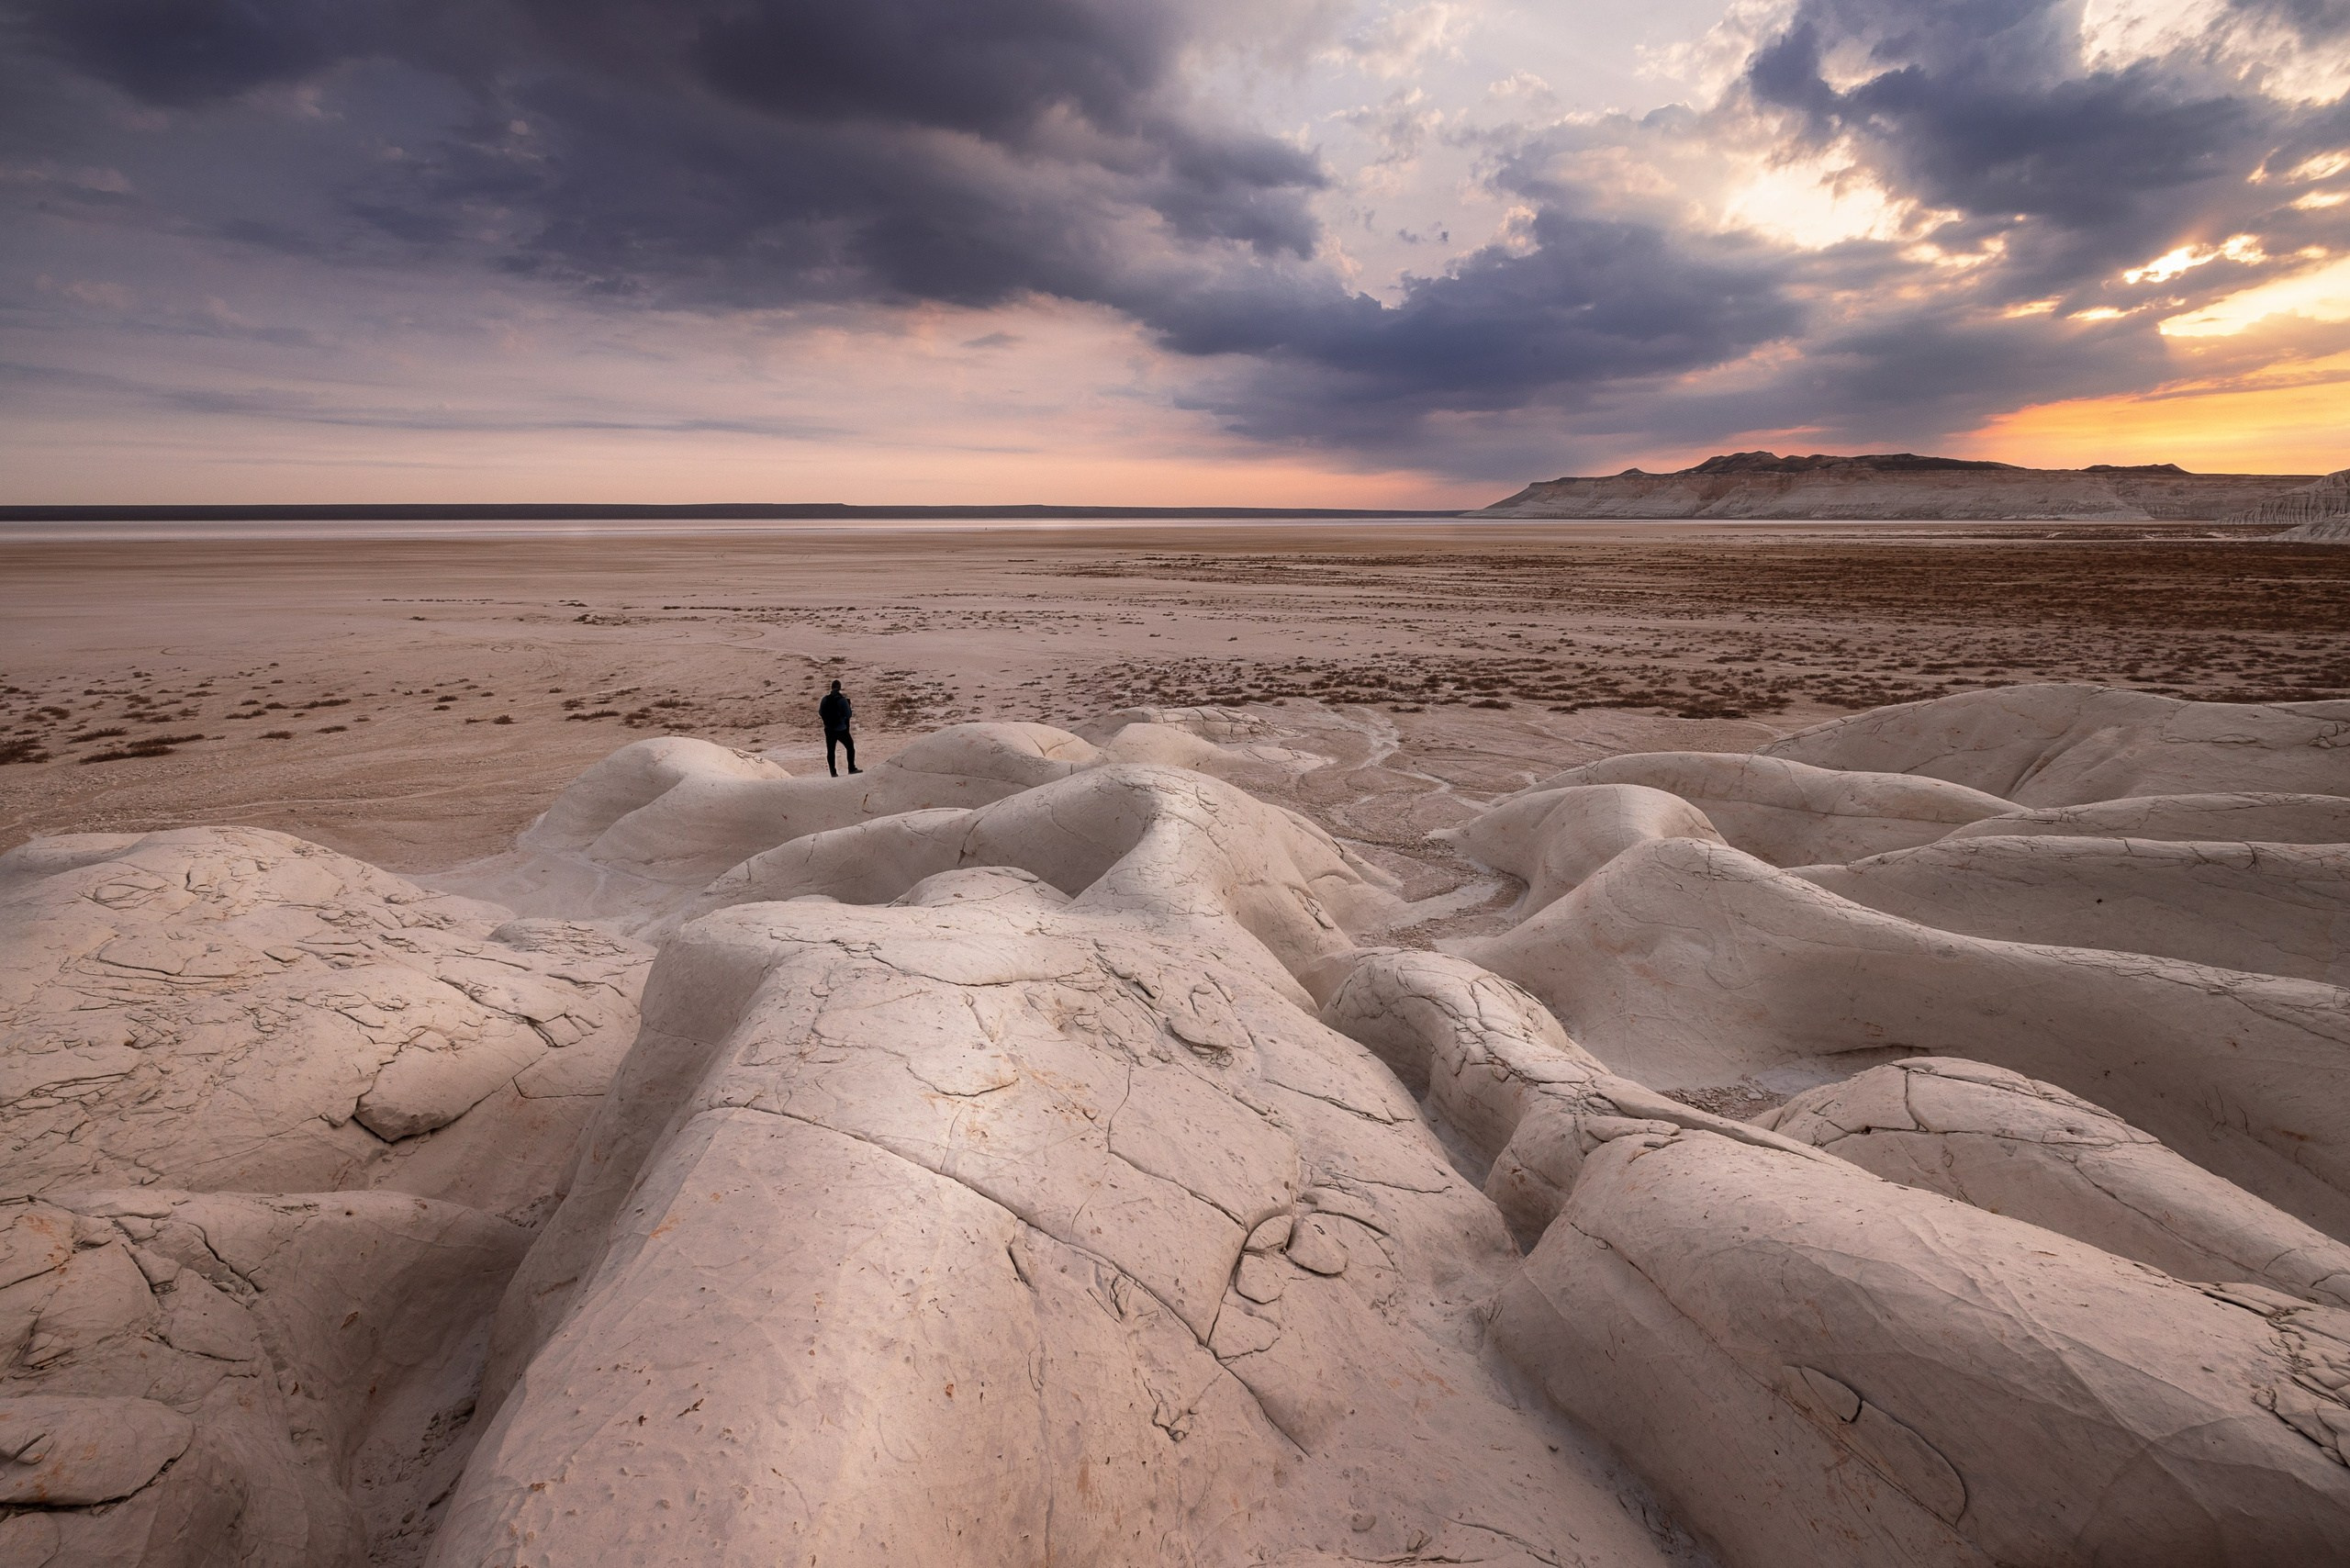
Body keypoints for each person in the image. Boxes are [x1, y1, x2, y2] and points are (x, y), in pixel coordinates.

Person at [818, 678, 859, 776]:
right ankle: (851, 768)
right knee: (850, 747)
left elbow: (820, 712)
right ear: (840, 688)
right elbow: (848, 715)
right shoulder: (842, 700)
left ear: (831, 687)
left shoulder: (825, 699)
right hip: (841, 728)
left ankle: (833, 772)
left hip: (828, 729)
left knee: (831, 751)